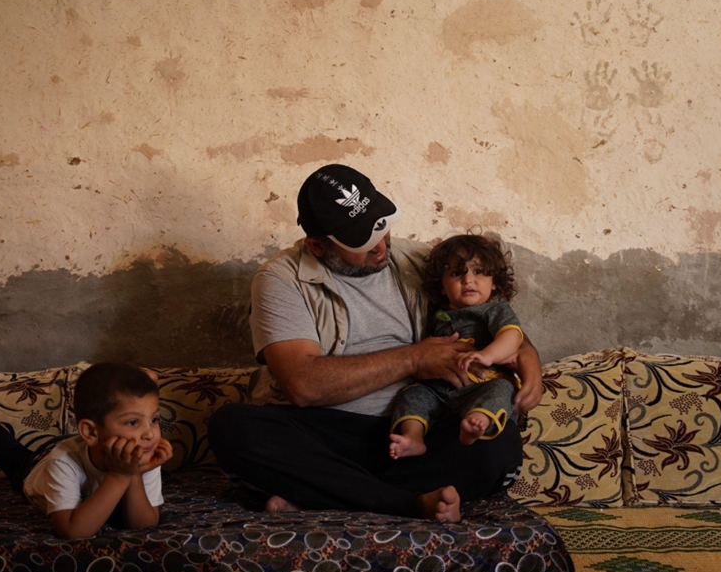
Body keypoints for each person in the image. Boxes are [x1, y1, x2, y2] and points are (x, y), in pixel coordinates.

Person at [208, 164, 543, 523]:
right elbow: (302, 385)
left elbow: (489, 314)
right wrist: (414, 359)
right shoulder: (280, 280)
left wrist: (528, 357)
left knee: (498, 444)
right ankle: (407, 504)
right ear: (318, 246)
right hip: (326, 436)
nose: (381, 246)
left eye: (382, 228)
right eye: (362, 241)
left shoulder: (419, 262)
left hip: (418, 432)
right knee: (234, 428)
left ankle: (325, 495)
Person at [0, 362, 173, 539]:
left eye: (154, 419)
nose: (150, 434)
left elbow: (144, 526)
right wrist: (121, 474)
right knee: (6, 450)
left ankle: (143, 391)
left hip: (90, 443)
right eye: (133, 422)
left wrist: (134, 472)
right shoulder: (62, 461)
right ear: (91, 432)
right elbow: (73, 532)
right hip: (37, 464)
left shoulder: (140, 452)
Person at [389, 234, 525, 460]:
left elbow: (512, 336)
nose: (468, 280)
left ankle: (478, 423)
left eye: (478, 271)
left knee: (503, 389)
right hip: (440, 389)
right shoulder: (434, 313)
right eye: (456, 273)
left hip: (481, 385)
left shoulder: (495, 310)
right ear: (441, 286)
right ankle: (413, 437)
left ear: (494, 282)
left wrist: (487, 356)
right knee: (412, 394)